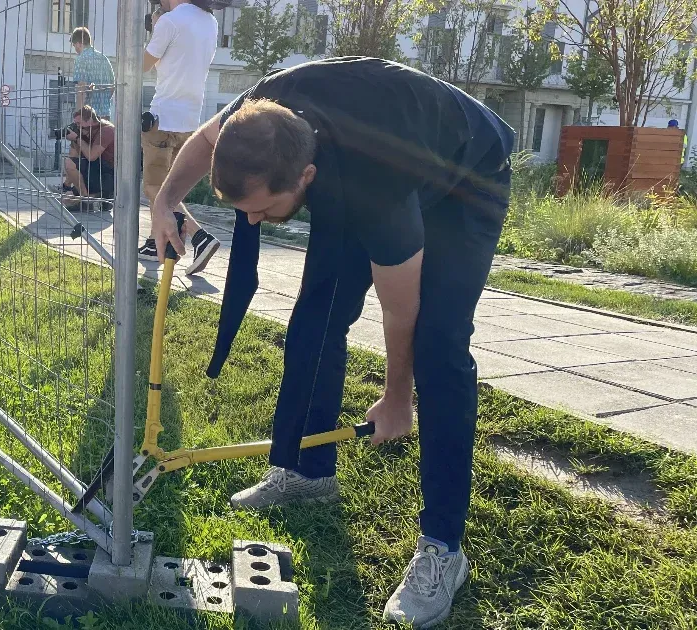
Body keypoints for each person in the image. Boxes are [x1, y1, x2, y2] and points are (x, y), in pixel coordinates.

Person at [147, 57, 515, 628]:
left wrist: (398, 399)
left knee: (440, 347)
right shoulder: (266, 111)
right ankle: (306, 472)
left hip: (467, 173)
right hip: (369, 147)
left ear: (306, 177)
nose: (257, 223)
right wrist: (165, 197)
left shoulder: (378, 183)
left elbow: (401, 309)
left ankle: (443, 547)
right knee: (317, 314)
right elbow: (206, 139)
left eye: (263, 209)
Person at [137, 0, 221, 276]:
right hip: (190, 120)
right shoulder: (210, 22)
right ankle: (153, 243)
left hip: (162, 118)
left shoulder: (169, 22)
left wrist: (156, 27)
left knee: (155, 188)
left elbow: (142, 66)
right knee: (167, 184)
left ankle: (199, 237)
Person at [62, 105, 115, 208]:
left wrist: (77, 138)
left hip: (108, 174)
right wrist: (76, 140)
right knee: (67, 200)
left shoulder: (106, 130)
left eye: (79, 123)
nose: (77, 127)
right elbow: (74, 156)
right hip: (95, 170)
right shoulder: (88, 130)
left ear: (90, 120)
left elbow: (91, 156)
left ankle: (87, 200)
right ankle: (95, 197)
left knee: (69, 163)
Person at [71, 27, 115, 119]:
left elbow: (81, 90)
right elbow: (112, 87)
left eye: (74, 45)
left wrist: (78, 115)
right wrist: (103, 101)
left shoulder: (81, 59)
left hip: (89, 118)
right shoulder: (104, 58)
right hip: (105, 115)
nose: (75, 48)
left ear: (79, 44)